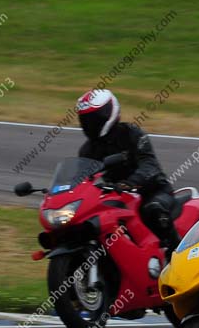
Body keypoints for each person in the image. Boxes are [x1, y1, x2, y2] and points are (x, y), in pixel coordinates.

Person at [76, 89, 180, 257]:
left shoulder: (132, 134)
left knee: (153, 210)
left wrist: (130, 182)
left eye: (95, 118)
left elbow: (149, 165)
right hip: (116, 196)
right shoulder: (87, 150)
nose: (90, 124)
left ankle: (177, 253)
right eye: (86, 119)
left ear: (110, 112)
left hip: (152, 191)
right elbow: (81, 180)